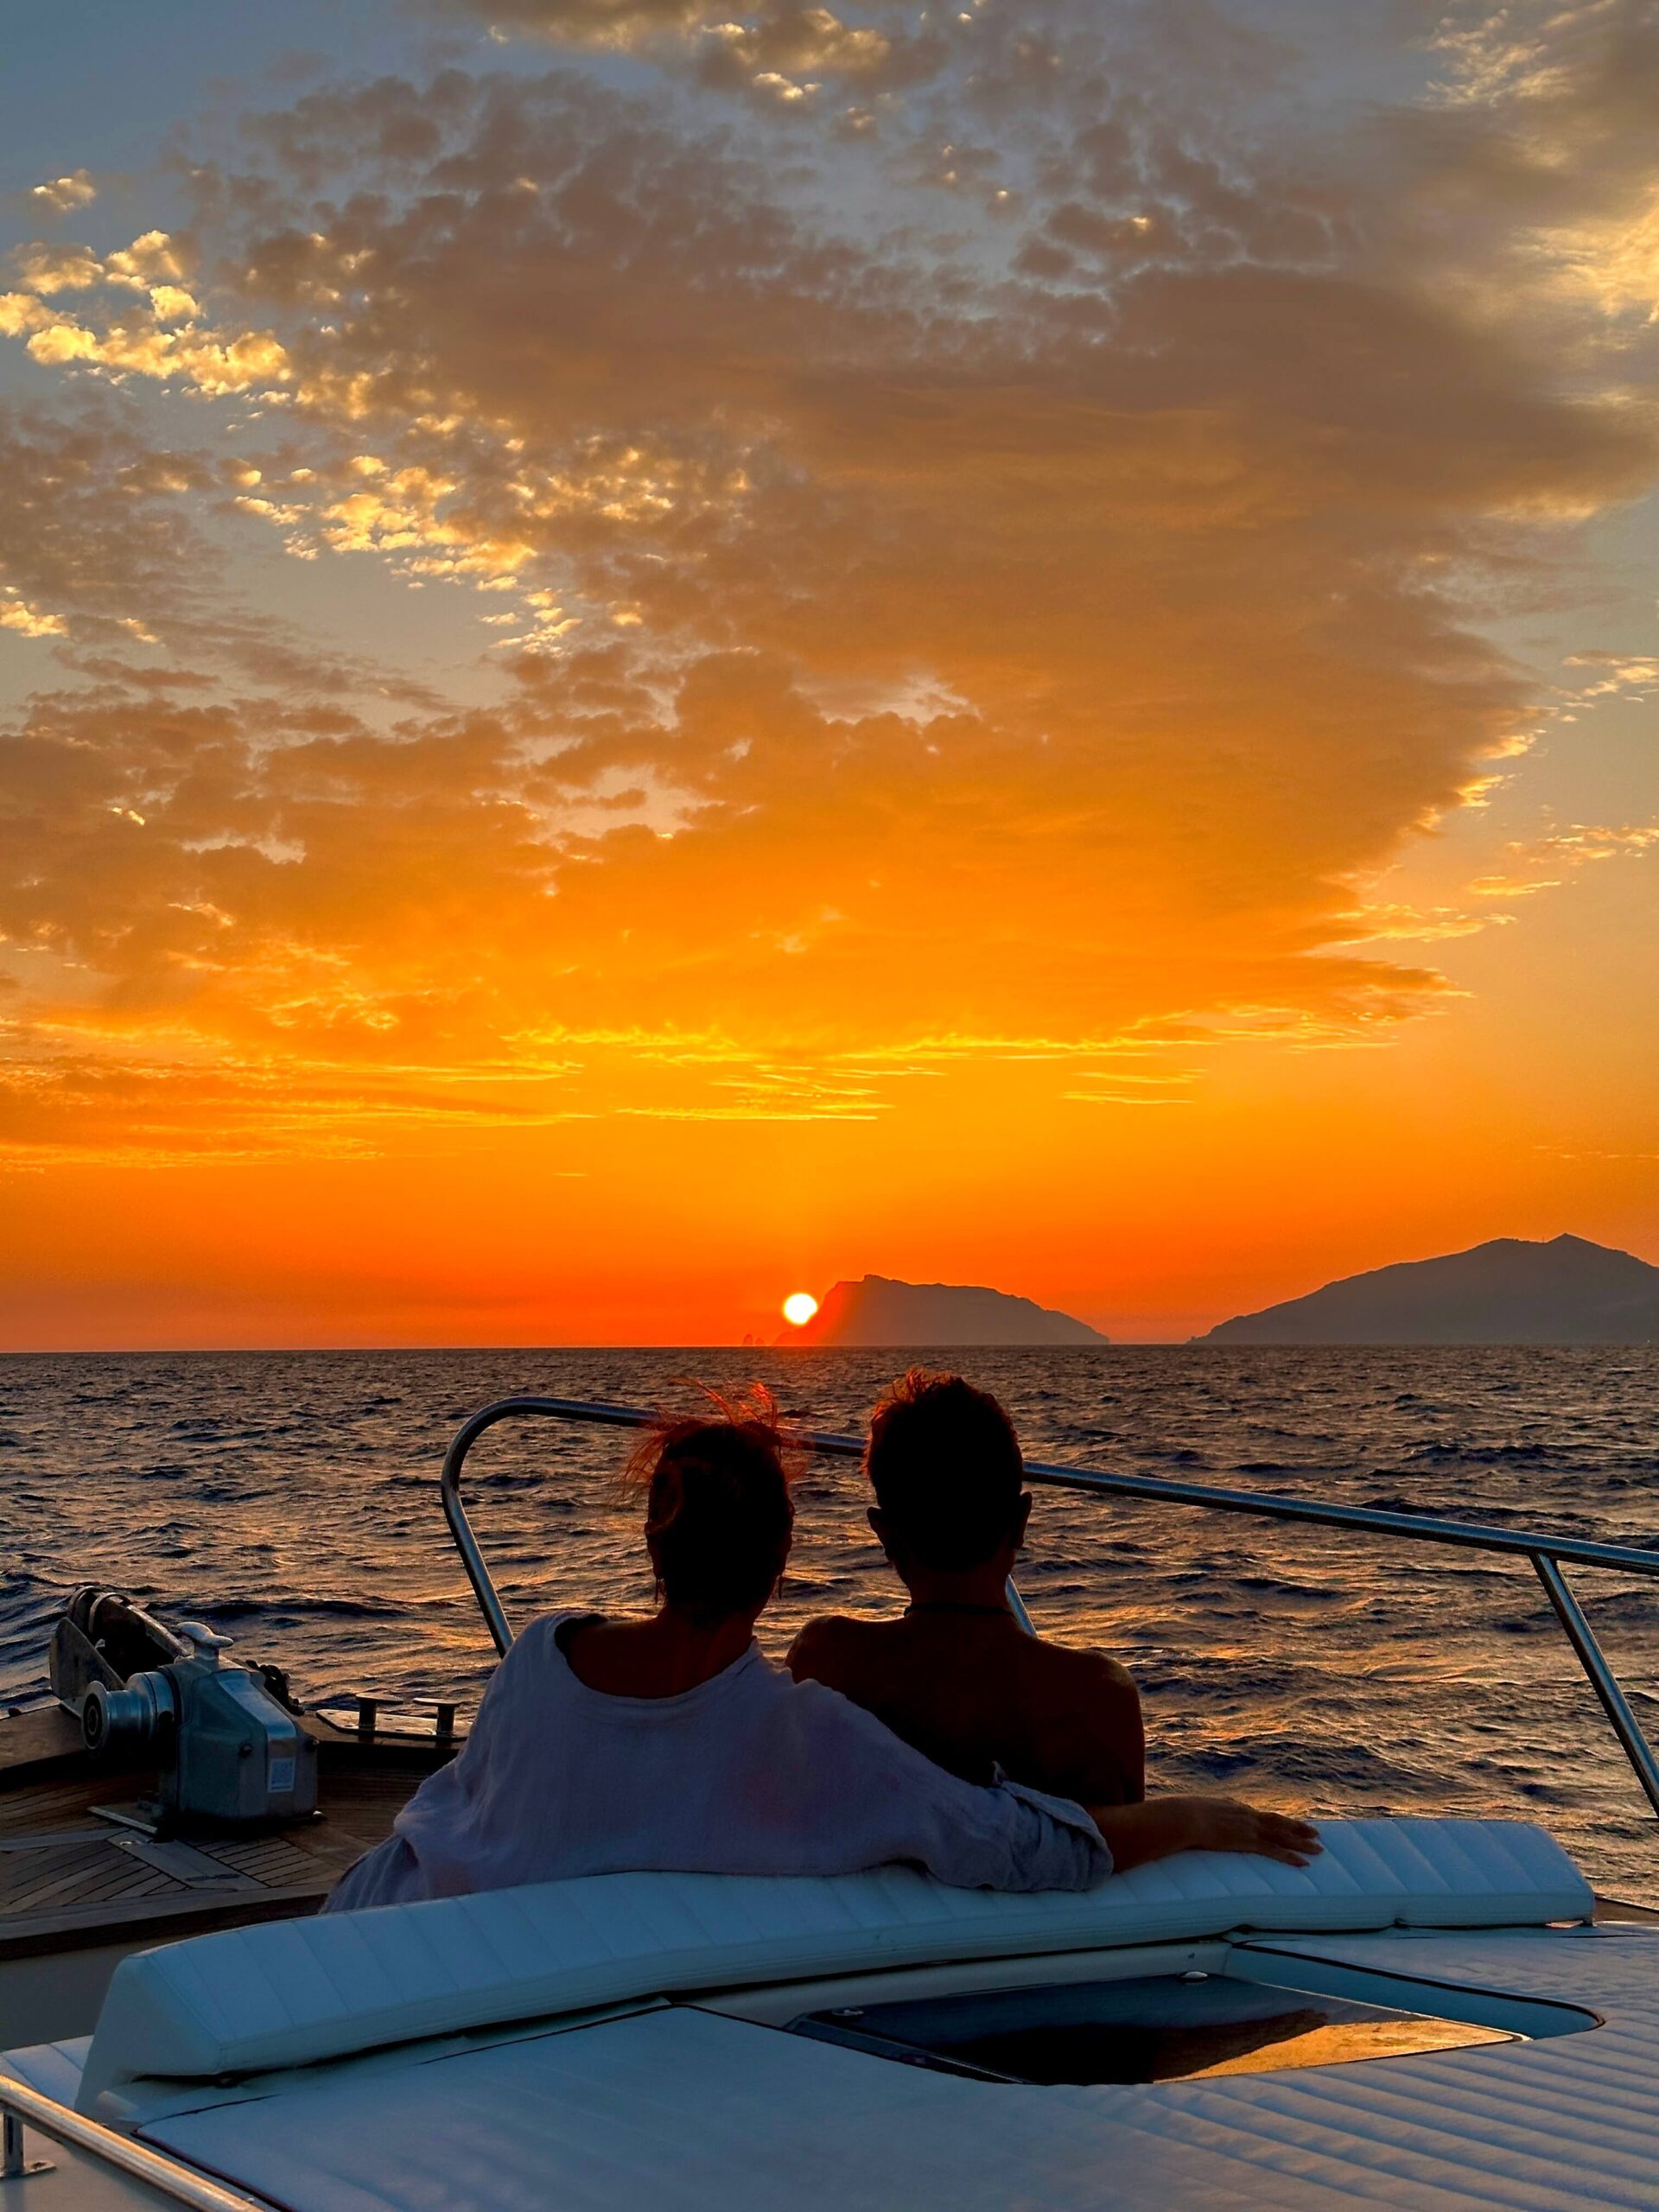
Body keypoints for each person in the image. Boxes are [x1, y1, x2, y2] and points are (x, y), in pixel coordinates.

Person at [326, 1389, 1116, 1910]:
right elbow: (1019, 1844)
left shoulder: (537, 1658)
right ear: (781, 1560)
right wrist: (1187, 1821)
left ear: (654, 1540)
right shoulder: (810, 1743)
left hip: (374, 1923)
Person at [788, 1370, 1319, 1872]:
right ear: (1021, 1521)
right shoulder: (1096, 1698)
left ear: (882, 1533)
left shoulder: (827, 1663)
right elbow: (1108, 1865)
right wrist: (1190, 1818)